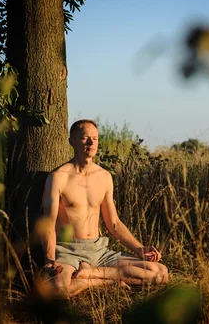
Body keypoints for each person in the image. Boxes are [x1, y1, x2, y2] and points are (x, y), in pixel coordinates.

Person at [41, 119, 169, 297]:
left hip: (99, 250)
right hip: (69, 250)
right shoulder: (58, 177)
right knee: (58, 289)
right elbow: (48, 223)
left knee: (160, 272)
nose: (91, 142)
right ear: (71, 141)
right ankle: (101, 283)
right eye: (85, 138)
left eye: (95, 138)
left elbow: (114, 223)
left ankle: (93, 273)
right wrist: (50, 260)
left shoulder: (104, 177)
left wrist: (140, 249)